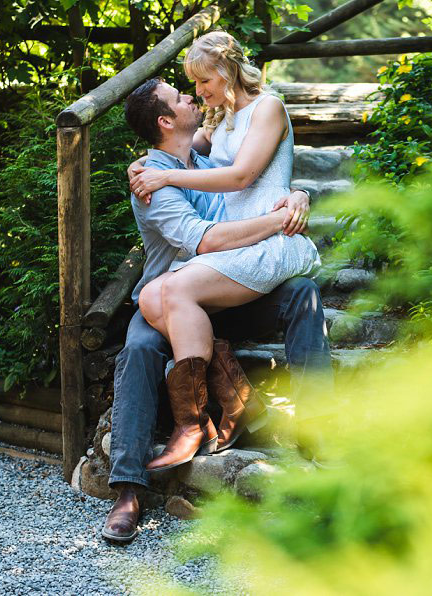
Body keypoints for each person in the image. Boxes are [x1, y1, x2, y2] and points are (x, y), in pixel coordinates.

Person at [102, 77, 333, 544]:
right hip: (167, 302)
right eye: (180, 96)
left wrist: (298, 197)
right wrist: (276, 222)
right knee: (139, 348)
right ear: (166, 121)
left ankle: (318, 427)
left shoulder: (205, 158)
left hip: (226, 294)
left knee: (303, 294)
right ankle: (127, 489)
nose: (192, 95)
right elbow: (204, 240)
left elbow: (252, 174)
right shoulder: (150, 182)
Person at [128, 31, 320, 474]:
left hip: (268, 241)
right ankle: (233, 404)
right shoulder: (223, 121)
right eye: (190, 86)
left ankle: (194, 425)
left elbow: (239, 178)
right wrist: (143, 166)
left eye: (201, 81)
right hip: (240, 241)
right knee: (151, 295)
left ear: (225, 71)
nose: (197, 92)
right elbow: (173, 151)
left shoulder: (267, 107)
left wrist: (297, 194)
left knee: (169, 293)